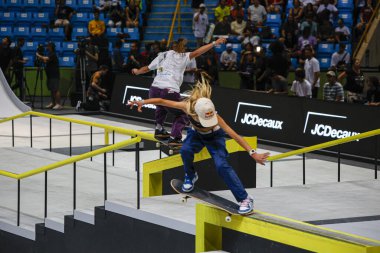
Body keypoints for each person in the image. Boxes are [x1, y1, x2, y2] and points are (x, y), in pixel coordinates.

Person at [128, 76, 270, 214]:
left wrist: (253, 153)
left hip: (214, 138)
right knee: (185, 150)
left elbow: (234, 135)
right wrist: (142, 102)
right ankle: (190, 175)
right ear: (195, 112)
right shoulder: (186, 106)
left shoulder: (214, 115)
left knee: (221, 166)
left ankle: (245, 199)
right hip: (195, 135)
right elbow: (161, 100)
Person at [131, 37, 227, 145]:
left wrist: (137, 71)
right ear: (182, 48)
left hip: (154, 89)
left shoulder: (163, 55)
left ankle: (159, 129)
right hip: (169, 91)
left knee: (161, 105)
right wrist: (214, 43)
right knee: (184, 112)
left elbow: (147, 68)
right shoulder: (184, 56)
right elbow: (199, 51)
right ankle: (175, 138)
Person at [36, 42, 62, 109]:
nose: (46, 47)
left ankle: (58, 104)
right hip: (50, 75)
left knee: (56, 89)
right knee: (52, 90)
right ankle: (53, 103)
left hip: (54, 75)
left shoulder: (53, 54)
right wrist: (41, 59)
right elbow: (46, 61)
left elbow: (46, 59)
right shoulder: (50, 54)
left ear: (51, 47)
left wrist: (38, 55)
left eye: (48, 46)